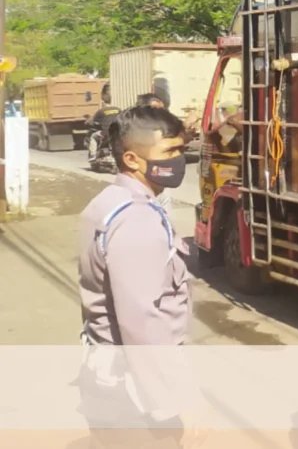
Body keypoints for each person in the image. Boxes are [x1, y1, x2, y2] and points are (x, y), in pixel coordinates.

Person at [76, 106, 197, 446]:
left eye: (181, 150)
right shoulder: (136, 220)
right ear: (132, 159)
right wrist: (179, 399)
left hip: (108, 375)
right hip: (133, 392)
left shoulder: (107, 203)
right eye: (169, 152)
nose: (179, 161)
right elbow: (142, 322)